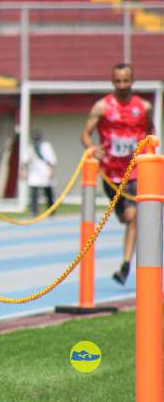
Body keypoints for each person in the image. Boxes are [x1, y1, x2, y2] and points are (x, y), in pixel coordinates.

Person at [81, 63, 153, 286]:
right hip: (110, 174)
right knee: (125, 219)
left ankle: (125, 265)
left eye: (126, 80)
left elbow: (151, 133)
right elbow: (85, 134)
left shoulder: (143, 107)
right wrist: (93, 148)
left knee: (133, 218)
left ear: (133, 81)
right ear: (113, 81)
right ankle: (127, 256)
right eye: (118, 81)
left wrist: (148, 151)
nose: (122, 85)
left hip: (135, 172)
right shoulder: (102, 107)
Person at [23, 130, 56, 217]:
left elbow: (52, 160)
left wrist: (51, 171)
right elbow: (25, 161)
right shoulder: (30, 147)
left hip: (45, 171)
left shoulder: (46, 146)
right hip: (34, 173)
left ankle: (51, 210)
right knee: (33, 193)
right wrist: (24, 172)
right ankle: (34, 211)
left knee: (48, 192)